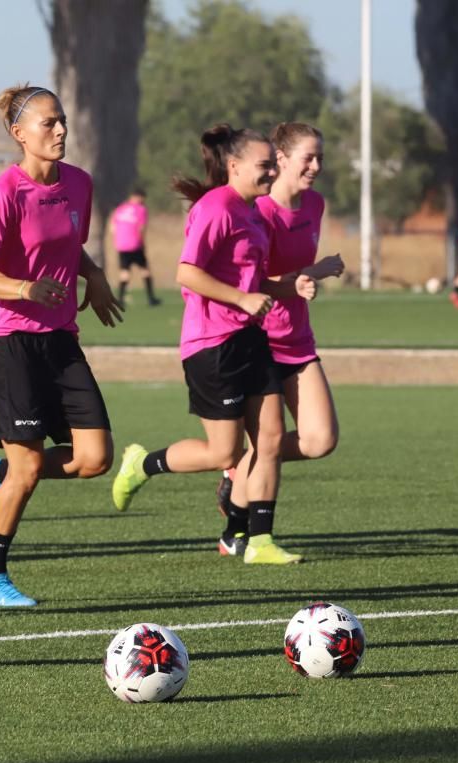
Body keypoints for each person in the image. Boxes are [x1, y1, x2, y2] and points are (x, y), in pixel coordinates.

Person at [110, 124, 316, 566]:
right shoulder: (215, 207)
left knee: (271, 440)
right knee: (224, 452)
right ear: (234, 166)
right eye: (264, 166)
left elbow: (251, 279)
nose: (270, 173)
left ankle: (259, 541)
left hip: (251, 339)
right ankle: (143, 463)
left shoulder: (254, 211)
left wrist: (289, 286)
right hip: (212, 344)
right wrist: (242, 298)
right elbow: (187, 273)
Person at [0, 85, 123, 607]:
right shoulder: (5, 193)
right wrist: (23, 288)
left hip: (60, 338)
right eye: (48, 123)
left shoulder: (79, 183)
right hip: (8, 340)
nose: (59, 131)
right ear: (19, 134)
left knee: (96, 457)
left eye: (62, 122)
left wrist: (94, 275)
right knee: (31, 466)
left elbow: (70, 245)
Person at [216, 122, 343, 554]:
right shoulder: (258, 212)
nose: (316, 166)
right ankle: (242, 532)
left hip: (299, 340)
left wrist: (313, 273)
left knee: (320, 440)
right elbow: (251, 280)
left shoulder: (315, 205)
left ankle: (239, 471)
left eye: (320, 157)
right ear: (282, 159)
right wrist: (307, 277)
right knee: (266, 444)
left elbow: (295, 271)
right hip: (261, 341)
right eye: (308, 157)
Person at [110, 187, 160, 307]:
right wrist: (143, 244)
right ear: (139, 197)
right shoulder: (141, 209)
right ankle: (151, 299)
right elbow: (141, 228)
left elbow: (112, 228)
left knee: (124, 272)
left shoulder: (120, 208)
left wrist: (118, 241)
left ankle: (120, 299)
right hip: (135, 245)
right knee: (145, 271)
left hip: (121, 246)